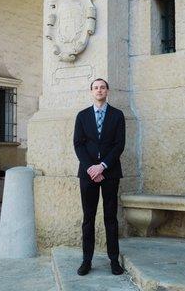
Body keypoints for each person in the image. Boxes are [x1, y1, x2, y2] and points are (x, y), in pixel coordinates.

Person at [73, 78, 125, 276]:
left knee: (111, 218)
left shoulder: (117, 115)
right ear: (91, 92)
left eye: (102, 87)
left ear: (107, 91)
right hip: (88, 175)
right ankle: (87, 260)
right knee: (89, 218)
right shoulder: (82, 116)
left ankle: (114, 260)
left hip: (110, 173)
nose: (99, 90)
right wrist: (91, 169)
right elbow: (78, 144)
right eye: (96, 87)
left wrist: (102, 167)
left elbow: (119, 145)